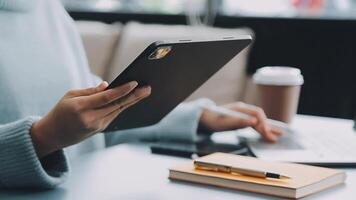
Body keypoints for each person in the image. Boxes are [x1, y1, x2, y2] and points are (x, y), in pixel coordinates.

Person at [0, 0, 281, 189]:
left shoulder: (49, 9)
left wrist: (197, 117)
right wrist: (43, 137)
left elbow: (97, 122)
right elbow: (62, 130)